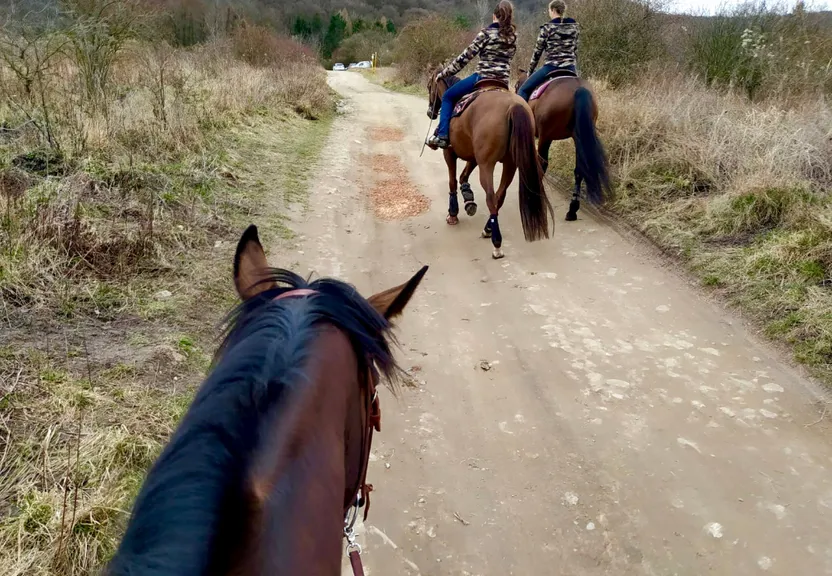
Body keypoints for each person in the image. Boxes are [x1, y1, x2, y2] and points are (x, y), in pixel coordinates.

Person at [427, 0, 517, 150]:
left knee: (449, 96)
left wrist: (444, 73)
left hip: (482, 77)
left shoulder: (486, 33)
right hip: (503, 81)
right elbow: (510, 56)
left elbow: (464, 58)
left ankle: (442, 136)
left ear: (494, 16)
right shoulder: (513, 36)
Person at [517, 0, 579, 102]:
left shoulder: (547, 28)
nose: (549, 13)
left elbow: (537, 53)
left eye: (549, 10)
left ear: (553, 10)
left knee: (523, 89)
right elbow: (575, 49)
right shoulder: (574, 27)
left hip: (551, 67)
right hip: (571, 68)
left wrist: (530, 72)